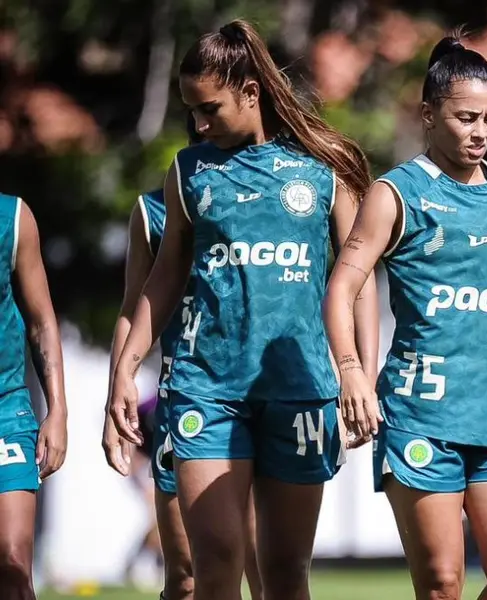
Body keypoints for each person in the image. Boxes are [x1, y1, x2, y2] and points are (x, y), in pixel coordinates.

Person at [107, 19, 378, 600]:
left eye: (210, 109)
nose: (199, 124)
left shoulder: (324, 168)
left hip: (300, 390)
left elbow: (359, 282)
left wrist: (360, 373)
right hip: (207, 389)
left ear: (251, 93)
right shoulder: (189, 171)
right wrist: (125, 370)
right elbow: (164, 277)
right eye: (192, 111)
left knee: (284, 573)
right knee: (215, 561)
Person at [324, 34, 487, 600]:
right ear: (429, 114)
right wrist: (352, 372)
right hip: (422, 416)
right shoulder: (396, 193)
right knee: (442, 585)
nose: (481, 132)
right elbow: (342, 288)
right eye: (466, 118)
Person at [101, 114, 263, 600]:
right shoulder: (152, 213)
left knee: (268, 571)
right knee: (187, 574)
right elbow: (132, 309)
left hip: (263, 398)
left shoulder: (272, 205)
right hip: (185, 401)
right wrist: (117, 396)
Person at [0, 192, 68, 599]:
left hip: (6, 409)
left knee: (12, 562)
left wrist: (57, 411)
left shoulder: (13, 217)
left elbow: (41, 321)